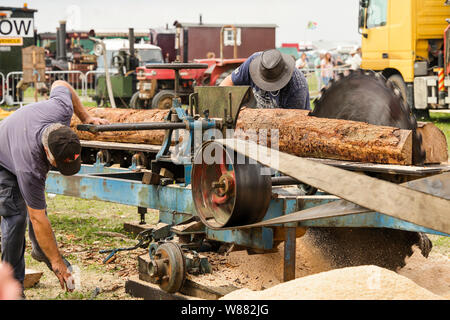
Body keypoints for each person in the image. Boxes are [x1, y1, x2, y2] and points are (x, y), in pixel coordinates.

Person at [0, 80, 108, 296]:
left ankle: (41, 250)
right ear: (48, 154)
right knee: (16, 218)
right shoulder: (31, 166)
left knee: (36, 210)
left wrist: (85, 117)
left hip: (20, 139)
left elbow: (61, 83)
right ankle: (11, 288)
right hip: (3, 158)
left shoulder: (62, 109)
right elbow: (38, 217)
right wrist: (58, 263)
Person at [219, 49, 310, 110]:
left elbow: (291, 127)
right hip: (263, 122)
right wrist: (232, 107)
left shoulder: (297, 88)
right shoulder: (252, 62)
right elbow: (227, 82)